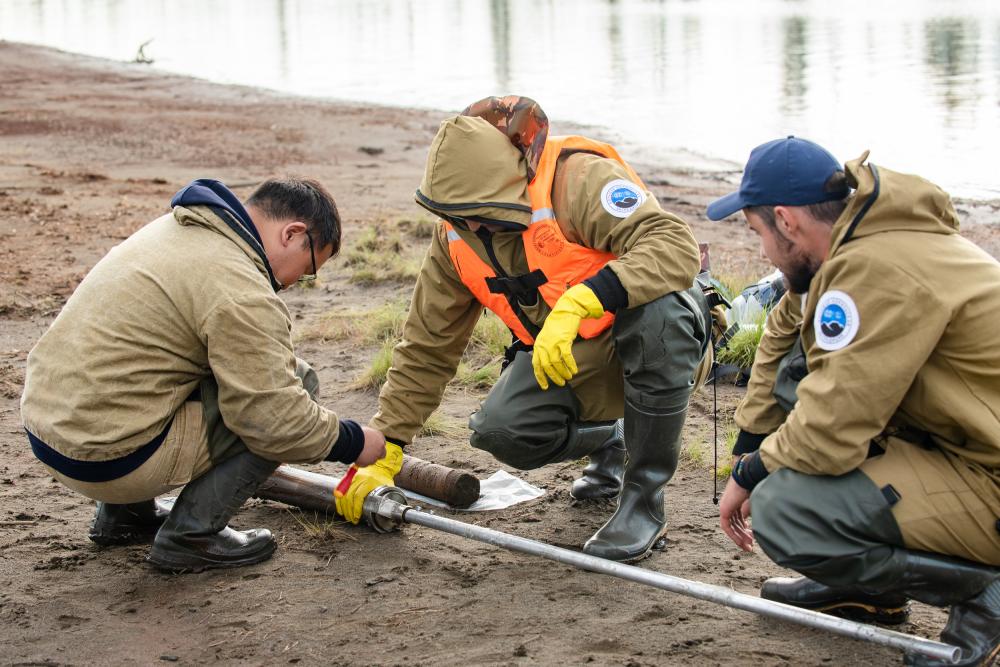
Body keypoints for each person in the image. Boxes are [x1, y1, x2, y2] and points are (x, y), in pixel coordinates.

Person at [333, 96, 713, 563]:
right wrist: (387, 448)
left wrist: (587, 298)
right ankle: (612, 438)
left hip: (662, 343)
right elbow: (427, 346)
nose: (467, 224)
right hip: (575, 357)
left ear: (510, 183)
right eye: (453, 214)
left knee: (660, 317)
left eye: (476, 211)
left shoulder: (577, 181)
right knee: (503, 431)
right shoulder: (455, 235)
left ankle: (643, 501)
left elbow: (675, 246)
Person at [707, 137, 1000, 666]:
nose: (762, 254)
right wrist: (749, 439)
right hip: (968, 445)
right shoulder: (858, 243)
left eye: (758, 235)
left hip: (988, 469)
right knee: (800, 395)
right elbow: (782, 330)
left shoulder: (871, 267)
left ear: (786, 221)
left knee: (788, 511)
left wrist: (751, 472)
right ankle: (871, 590)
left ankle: (986, 596)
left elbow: (832, 431)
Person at [21, 177, 386, 573]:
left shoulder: (175, 229)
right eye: (311, 267)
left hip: (48, 430)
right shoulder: (239, 286)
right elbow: (276, 420)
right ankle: (192, 536)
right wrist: (353, 442)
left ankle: (125, 517)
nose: (297, 282)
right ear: (293, 233)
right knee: (297, 385)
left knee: (167, 364)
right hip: (107, 458)